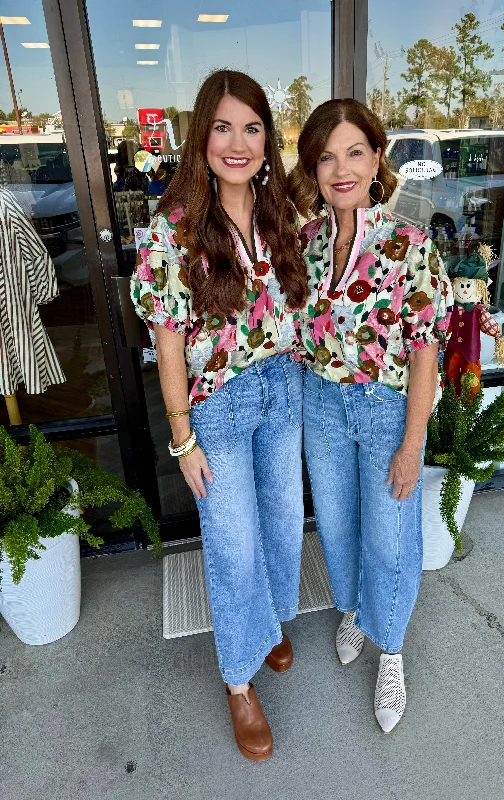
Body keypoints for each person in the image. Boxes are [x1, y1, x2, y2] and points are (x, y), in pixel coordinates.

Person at [131, 70, 308, 761]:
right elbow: (167, 346)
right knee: (233, 545)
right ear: (201, 135)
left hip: (283, 387)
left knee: (282, 525)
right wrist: (182, 440)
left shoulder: (279, 215)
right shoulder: (171, 231)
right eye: (224, 127)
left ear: (269, 138)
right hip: (221, 407)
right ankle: (239, 680)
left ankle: (264, 625)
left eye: (253, 127)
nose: (239, 143)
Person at [288, 99, 453, 733]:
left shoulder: (409, 246)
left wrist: (413, 445)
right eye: (326, 156)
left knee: (389, 537)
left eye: (354, 151)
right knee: (336, 526)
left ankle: (392, 648)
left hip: (385, 411)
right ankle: (355, 609)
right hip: (323, 406)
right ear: (314, 167)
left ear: (377, 158)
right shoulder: (305, 243)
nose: (341, 168)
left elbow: (424, 353)